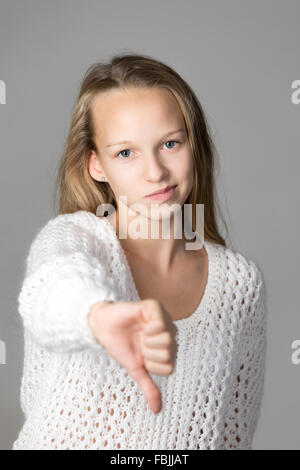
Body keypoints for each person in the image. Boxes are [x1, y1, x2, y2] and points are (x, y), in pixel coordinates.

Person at [12, 53, 267, 450]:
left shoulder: (239, 285)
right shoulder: (75, 241)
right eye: (126, 153)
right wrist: (98, 316)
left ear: (192, 144)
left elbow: (233, 436)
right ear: (96, 165)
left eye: (169, 143)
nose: (156, 172)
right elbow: (49, 292)